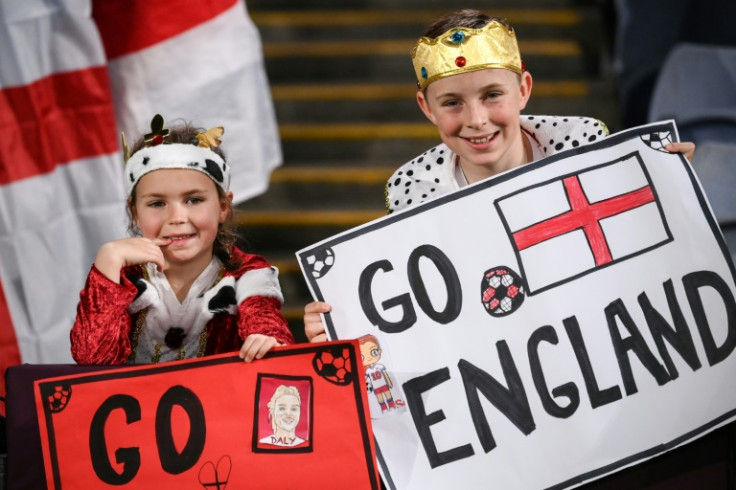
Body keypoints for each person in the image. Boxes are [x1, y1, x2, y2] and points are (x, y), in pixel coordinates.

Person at [303, 9, 696, 342]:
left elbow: (647, 264)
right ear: (426, 108)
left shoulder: (584, 150)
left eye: (492, 95)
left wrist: (675, 195)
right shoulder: (415, 193)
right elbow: (421, 322)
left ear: (523, 89)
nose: (476, 120)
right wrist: (343, 325)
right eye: (452, 103)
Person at [71, 115, 294, 364]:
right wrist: (108, 260)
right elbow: (92, 361)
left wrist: (267, 340)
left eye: (193, 200)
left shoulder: (248, 275)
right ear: (135, 213)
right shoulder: (121, 277)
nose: (176, 217)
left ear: (223, 206)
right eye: (157, 203)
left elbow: (269, 330)